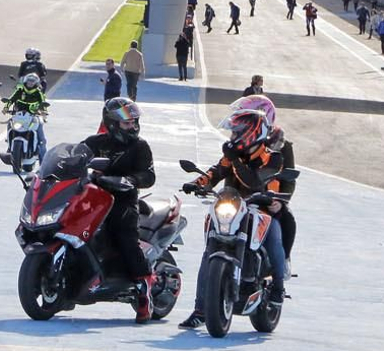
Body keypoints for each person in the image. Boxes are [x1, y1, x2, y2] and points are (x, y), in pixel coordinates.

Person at [178, 98, 294, 330]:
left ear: (250, 133)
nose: (232, 138)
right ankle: (201, 309)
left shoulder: (273, 157)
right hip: (231, 206)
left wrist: (235, 161)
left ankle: (278, 288)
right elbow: (215, 172)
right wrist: (197, 183)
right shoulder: (233, 155)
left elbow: (254, 179)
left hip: (260, 210)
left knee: (274, 237)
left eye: (236, 133)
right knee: (209, 251)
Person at [81, 97, 157, 322]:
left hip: (123, 200)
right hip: (92, 197)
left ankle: (144, 288)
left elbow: (149, 175)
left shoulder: (139, 146)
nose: (132, 126)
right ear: (112, 123)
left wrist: (129, 180)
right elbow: (73, 159)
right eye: (127, 123)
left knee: (125, 236)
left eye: (134, 122)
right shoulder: (94, 142)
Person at [1, 73, 50, 160]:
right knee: (10, 124)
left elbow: (43, 102)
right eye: (29, 82)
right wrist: (6, 108)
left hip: (34, 116)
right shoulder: (20, 91)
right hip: (19, 115)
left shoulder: (38, 93)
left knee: (42, 139)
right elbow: (11, 99)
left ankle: (43, 162)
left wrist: (44, 112)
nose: (30, 84)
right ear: (25, 82)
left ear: (36, 83)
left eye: (32, 82)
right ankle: (9, 146)